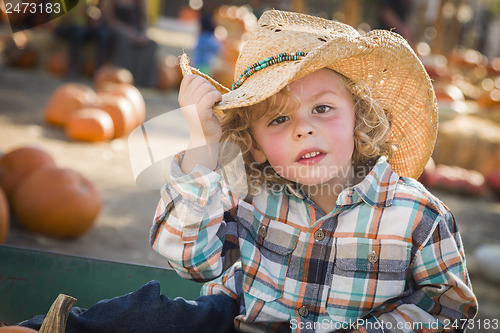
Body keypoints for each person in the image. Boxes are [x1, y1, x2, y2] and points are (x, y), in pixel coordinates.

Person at [20, 10, 477, 333]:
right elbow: (193, 262)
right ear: (255, 147)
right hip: (243, 323)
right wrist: (203, 142)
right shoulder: (252, 194)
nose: (304, 129)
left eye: (323, 108)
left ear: (360, 119)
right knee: (155, 313)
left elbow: (448, 305)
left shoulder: (416, 214)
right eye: (279, 119)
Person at [102, 0, 158, 87]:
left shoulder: (140, 2)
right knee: (124, 41)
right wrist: (128, 32)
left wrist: (143, 34)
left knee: (152, 44)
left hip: (136, 30)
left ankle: (144, 82)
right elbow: (109, 19)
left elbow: (144, 20)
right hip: (118, 29)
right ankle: (124, 78)